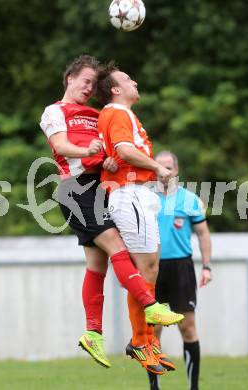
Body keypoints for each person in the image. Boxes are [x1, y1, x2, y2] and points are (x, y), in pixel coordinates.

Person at [39, 55, 182, 370]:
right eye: (85, 81)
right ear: (70, 79)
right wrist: (87, 152)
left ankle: (93, 333)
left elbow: (106, 151)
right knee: (117, 246)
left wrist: (108, 161)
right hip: (75, 189)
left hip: (98, 186)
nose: (90, 88)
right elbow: (61, 146)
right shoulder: (55, 111)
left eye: (93, 83)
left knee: (97, 264)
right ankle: (151, 306)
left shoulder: (96, 114)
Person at [96, 64, 184, 375]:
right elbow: (123, 149)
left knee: (149, 268)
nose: (135, 80)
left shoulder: (123, 114)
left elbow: (116, 153)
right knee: (145, 268)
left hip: (137, 194)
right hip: (129, 194)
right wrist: (158, 168)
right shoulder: (118, 112)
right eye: (127, 79)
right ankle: (141, 341)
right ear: (116, 89)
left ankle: (146, 341)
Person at [149, 150, 212, 390]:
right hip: (151, 267)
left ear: (176, 170)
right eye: (160, 167)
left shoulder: (190, 199)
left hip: (181, 267)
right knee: (152, 330)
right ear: (154, 169)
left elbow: (203, 233)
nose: (165, 172)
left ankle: (193, 387)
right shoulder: (145, 198)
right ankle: (154, 386)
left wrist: (206, 266)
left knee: (187, 327)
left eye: (168, 167)